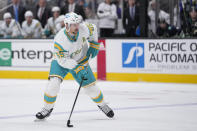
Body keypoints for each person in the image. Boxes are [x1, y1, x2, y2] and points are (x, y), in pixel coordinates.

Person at [35, 12, 114, 120]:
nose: (77, 26)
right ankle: (47, 108)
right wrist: (78, 68)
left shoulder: (84, 28)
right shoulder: (60, 39)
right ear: (67, 25)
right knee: (53, 85)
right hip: (61, 62)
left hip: (80, 59)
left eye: (77, 24)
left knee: (92, 89)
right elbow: (63, 61)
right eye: (73, 24)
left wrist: (94, 44)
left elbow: (94, 29)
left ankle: (102, 104)